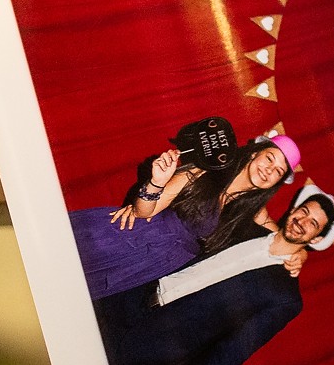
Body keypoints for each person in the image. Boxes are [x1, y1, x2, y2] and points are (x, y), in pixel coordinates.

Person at [93, 185, 334, 365]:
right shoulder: (245, 224)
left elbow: (231, 353)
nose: (303, 222)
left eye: (313, 224)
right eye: (304, 211)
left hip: (150, 345)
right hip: (124, 297)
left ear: (316, 239)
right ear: (294, 209)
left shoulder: (285, 298)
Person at [67, 121, 303, 299]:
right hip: (130, 238)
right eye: (270, 159)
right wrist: (157, 183)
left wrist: (300, 254)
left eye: (279, 171)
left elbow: (284, 239)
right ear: (254, 153)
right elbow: (144, 212)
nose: (270, 170)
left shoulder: (252, 211)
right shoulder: (206, 172)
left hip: (152, 265)